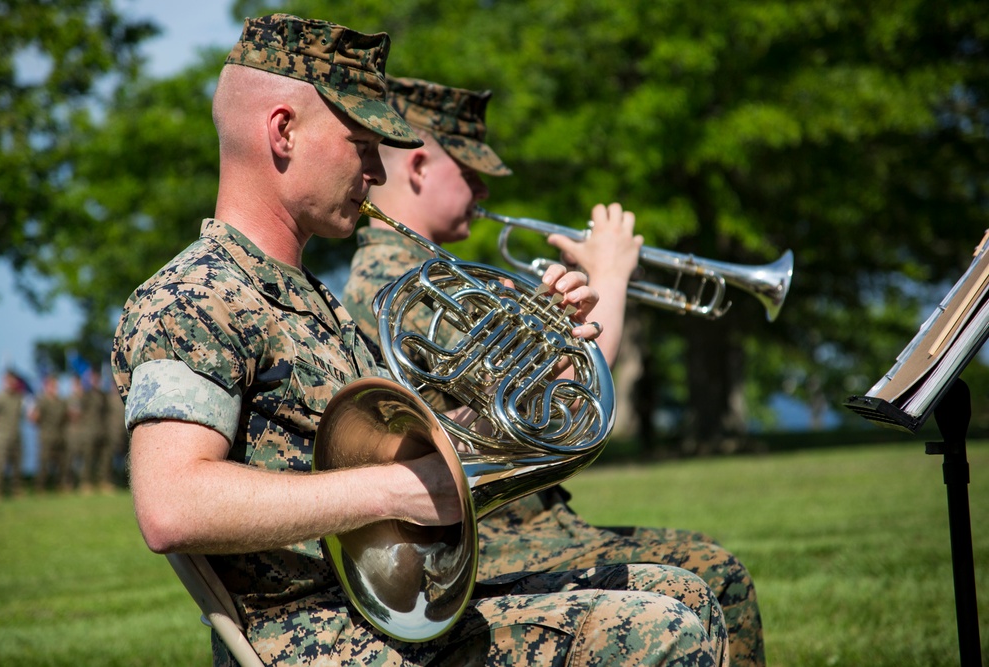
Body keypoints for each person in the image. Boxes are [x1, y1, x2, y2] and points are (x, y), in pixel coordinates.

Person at [111, 14, 726, 667]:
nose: (377, 171)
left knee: (681, 591)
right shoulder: (193, 297)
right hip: (311, 636)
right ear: (283, 131)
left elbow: (420, 450)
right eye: (361, 142)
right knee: (662, 629)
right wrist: (395, 489)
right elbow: (172, 503)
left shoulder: (309, 297)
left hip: (386, 615)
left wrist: (543, 356)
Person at [343, 76, 764, 667]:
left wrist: (559, 316)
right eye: (470, 171)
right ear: (417, 168)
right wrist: (611, 277)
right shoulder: (399, 285)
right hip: (496, 538)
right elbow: (561, 406)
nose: (485, 187)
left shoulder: (435, 269)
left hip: (529, 523)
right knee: (716, 576)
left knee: (713, 572)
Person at [0, 369, 27, 499]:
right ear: (4, 381)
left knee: (17, 466)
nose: (11, 382)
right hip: (1, 437)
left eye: (13, 380)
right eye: (8, 380)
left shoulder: (19, 398)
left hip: (16, 436)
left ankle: (16, 490)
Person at [30, 373, 69, 492]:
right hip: (46, 437)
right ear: (46, 386)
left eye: (55, 385)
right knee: (44, 463)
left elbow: (65, 417)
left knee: (62, 463)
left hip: (59, 436)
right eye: (51, 385)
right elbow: (34, 417)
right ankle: (40, 487)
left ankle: (61, 485)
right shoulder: (41, 401)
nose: (54, 388)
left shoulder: (61, 402)